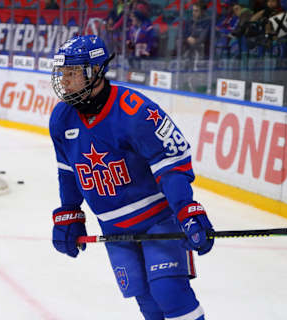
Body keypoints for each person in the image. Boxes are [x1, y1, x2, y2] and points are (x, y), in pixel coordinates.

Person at [49, 35, 214, 320]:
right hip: (115, 228)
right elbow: (68, 172)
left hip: (159, 220)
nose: (64, 80)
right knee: (148, 302)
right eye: (63, 73)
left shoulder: (135, 111)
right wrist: (70, 213)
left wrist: (186, 208)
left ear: (95, 72)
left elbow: (171, 162)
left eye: (73, 73)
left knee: (169, 293)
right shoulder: (61, 118)